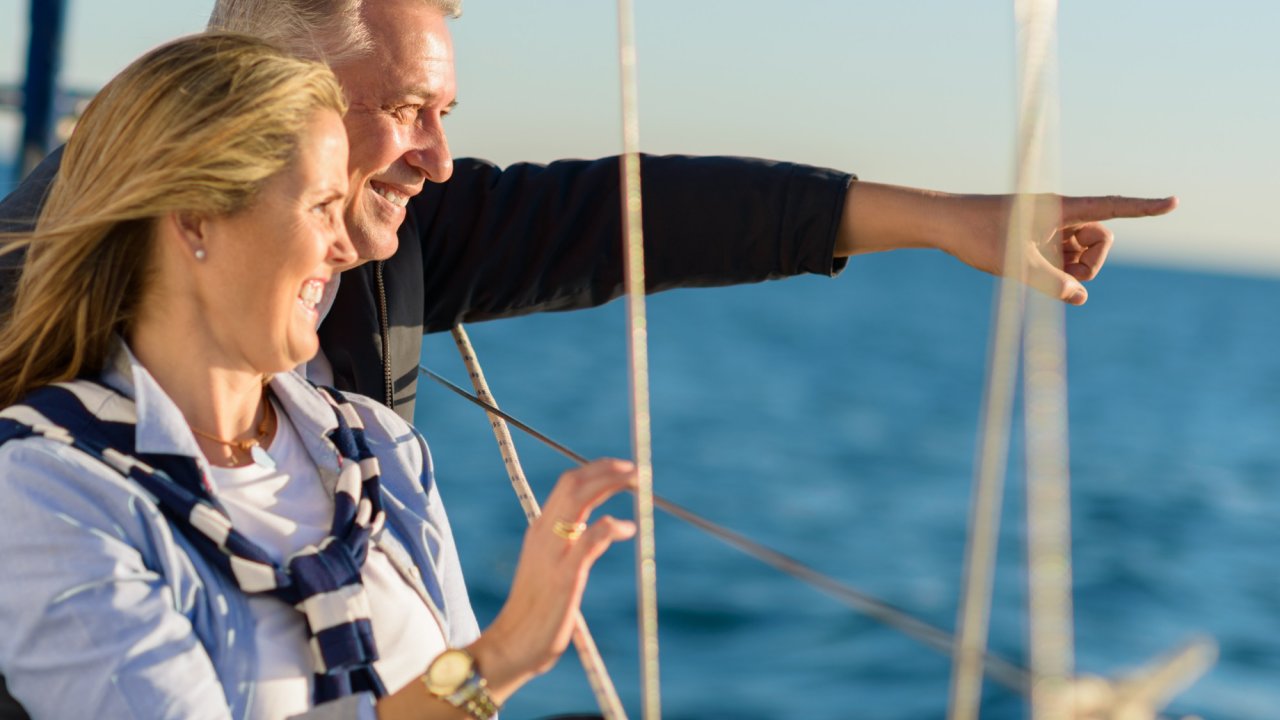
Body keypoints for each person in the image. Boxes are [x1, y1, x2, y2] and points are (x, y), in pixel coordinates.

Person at [0, 0, 1178, 423]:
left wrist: (948, 221)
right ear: (278, 100)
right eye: (408, 108)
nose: (440, 158)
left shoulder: (391, 239)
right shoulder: (38, 298)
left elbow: (633, 212)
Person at [0, 33, 637, 719]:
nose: (345, 247)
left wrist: (487, 673)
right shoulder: (47, 489)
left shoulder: (381, 447)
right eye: (320, 207)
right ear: (194, 220)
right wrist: (496, 662)